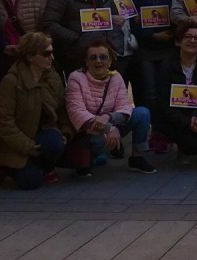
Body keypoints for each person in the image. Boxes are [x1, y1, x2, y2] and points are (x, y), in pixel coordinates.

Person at [65, 38, 156, 176]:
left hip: (109, 124)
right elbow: (77, 113)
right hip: (87, 133)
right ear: (86, 61)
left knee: (142, 113)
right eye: (93, 57)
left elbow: (124, 107)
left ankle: (137, 158)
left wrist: (108, 118)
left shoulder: (116, 77)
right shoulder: (75, 78)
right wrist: (109, 128)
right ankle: (89, 158)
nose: (98, 61)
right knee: (95, 147)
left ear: (110, 61)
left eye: (103, 57)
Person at [0, 31, 71, 188]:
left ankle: (45, 166)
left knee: (55, 142)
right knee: (30, 183)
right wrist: (27, 146)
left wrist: (65, 132)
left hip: (43, 135)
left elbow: (63, 110)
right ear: (30, 56)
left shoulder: (53, 77)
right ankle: (6, 167)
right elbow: (4, 122)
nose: (51, 57)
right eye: (46, 54)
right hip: (18, 143)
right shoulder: (11, 81)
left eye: (52, 53)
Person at [158, 21, 197, 166]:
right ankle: (182, 147)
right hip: (179, 117)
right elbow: (163, 101)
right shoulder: (167, 65)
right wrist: (188, 122)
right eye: (188, 37)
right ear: (179, 41)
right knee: (192, 146)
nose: (192, 40)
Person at [130, 0, 174, 145]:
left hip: (169, 47)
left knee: (168, 91)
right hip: (147, 49)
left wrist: (171, 33)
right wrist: (153, 35)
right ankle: (155, 131)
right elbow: (132, 22)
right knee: (150, 93)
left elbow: (180, 13)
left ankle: (168, 131)